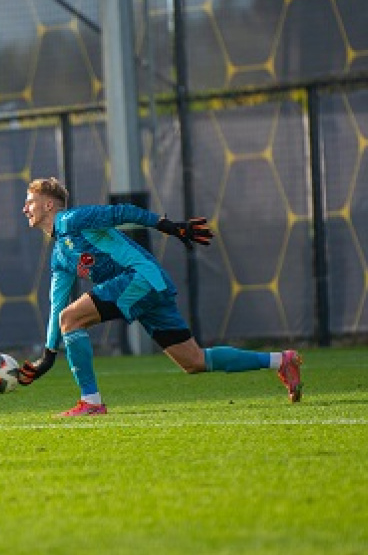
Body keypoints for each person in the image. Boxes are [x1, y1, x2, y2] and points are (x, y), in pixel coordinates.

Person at [19, 177, 303, 416]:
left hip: (141, 278)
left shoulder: (72, 220)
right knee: (194, 361)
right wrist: (48, 356)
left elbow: (123, 212)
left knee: (71, 318)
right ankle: (281, 360)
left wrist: (169, 226)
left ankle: (91, 402)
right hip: (148, 286)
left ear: (48, 204)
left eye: (29, 202)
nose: (24, 209)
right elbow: (56, 303)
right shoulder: (59, 257)